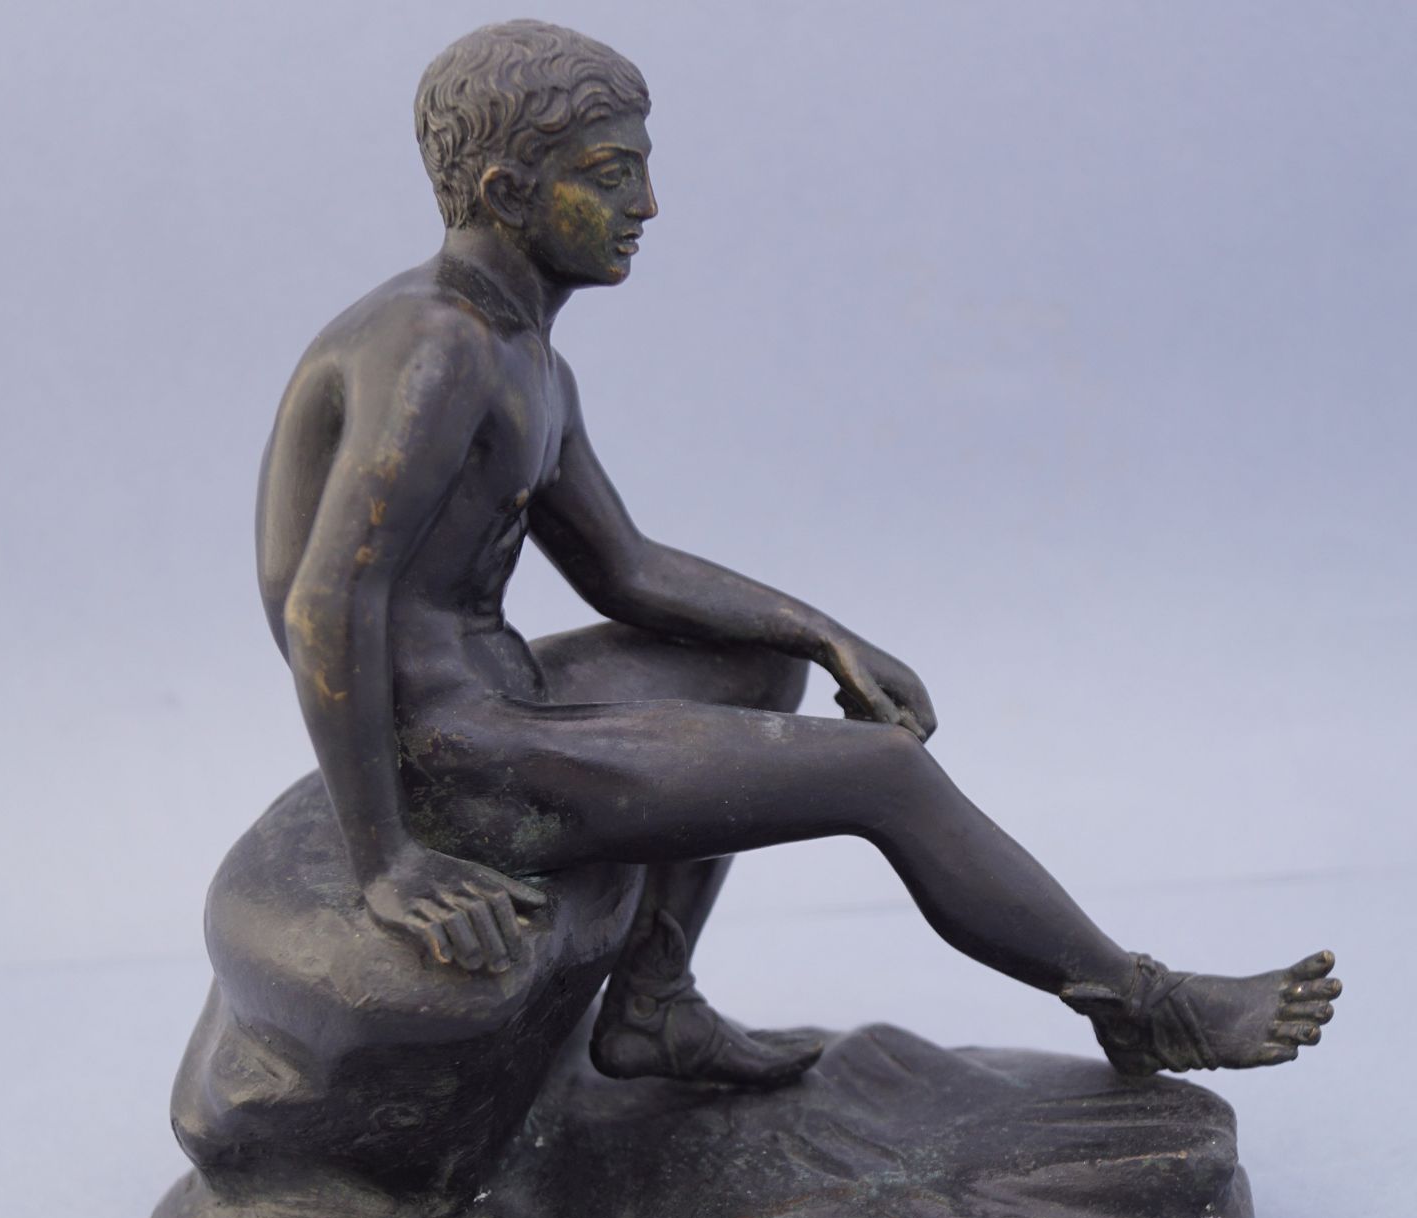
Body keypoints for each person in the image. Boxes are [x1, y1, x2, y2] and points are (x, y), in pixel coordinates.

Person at [255, 20, 1338, 1086]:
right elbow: (322, 604)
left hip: (490, 705)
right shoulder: (438, 345)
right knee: (884, 775)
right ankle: (1142, 1007)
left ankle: (654, 1005)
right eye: (613, 175)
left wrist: (825, 637)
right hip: (453, 761)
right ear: (505, 192)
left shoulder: (522, 353)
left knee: (758, 664)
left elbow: (624, 566)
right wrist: (389, 859)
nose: (648, 205)